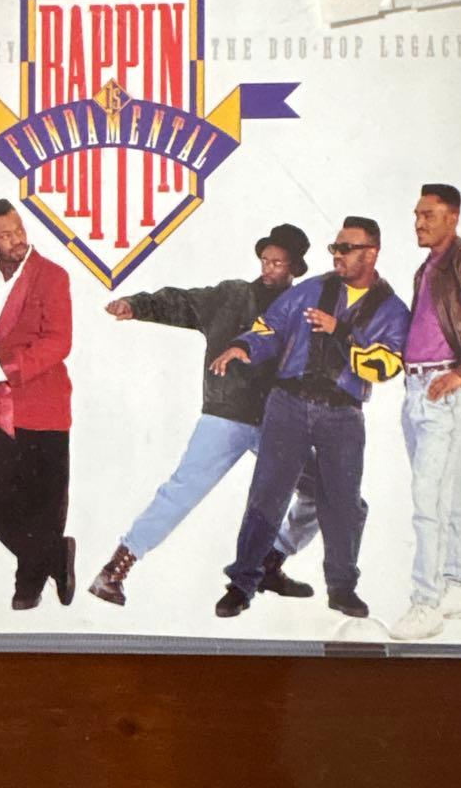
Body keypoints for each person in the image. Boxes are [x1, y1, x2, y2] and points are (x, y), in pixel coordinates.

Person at [88, 224, 325, 606]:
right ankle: (114, 570)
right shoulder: (232, 295)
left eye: (278, 263)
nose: (268, 268)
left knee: (324, 487)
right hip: (226, 415)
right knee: (181, 491)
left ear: (295, 267)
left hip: (279, 422)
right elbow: (182, 302)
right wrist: (136, 305)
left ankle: (271, 561)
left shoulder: (304, 308)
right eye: (265, 260)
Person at [211, 217, 410, 619]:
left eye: (346, 248)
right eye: (335, 248)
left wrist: (341, 332)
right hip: (288, 403)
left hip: (343, 414)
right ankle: (242, 583)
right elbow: (271, 326)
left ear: (372, 253)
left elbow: (385, 366)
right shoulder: (311, 289)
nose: (337, 255)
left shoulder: (392, 309)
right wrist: (244, 347)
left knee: (343, 502)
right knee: (267, 494)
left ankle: (342, 588)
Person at [0, 199, 75, 610]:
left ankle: (29, 583)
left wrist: (8, 368)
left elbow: (59, 341)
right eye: (5, 235)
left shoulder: (53, 276)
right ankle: (55, 555)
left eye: (19, 230)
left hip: (43, 405)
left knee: (43, 501)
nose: (17, 240)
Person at [389, 184, 461, 641]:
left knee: (428, 498)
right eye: (416, 215)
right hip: (416, 388)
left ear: (453, 217)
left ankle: (425, 603)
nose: (419, 223)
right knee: (447, 490)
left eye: (428, 215)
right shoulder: (426, 268)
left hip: (443, 387)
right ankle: (458, 586)